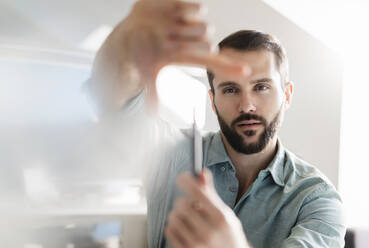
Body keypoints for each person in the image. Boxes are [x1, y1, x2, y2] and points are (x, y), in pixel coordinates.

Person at [86, 0, 346, 247]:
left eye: (261, 87)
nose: (247, 105)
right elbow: (115, 102)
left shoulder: (317, 199)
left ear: (287, 94)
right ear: (213, 100)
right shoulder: (172, 153)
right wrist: (126, 44)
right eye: (231, 90)